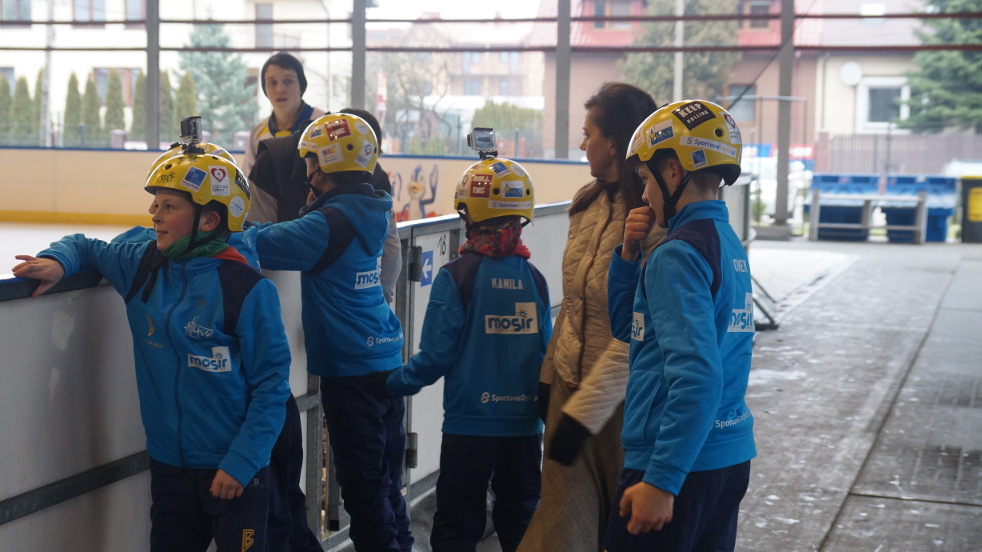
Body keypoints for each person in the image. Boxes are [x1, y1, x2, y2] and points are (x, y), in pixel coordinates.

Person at [13, 151, 291, 552]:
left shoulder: (247, 289)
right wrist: (59, 261)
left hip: (235, 467)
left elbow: (272, 386)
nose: (154, 214)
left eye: (169, 206)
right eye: (155, 204)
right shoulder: (144, 265)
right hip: (171, 466)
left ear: (209, 221)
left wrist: (242, 462)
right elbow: (85, 246)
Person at [247, 112, 413, 552]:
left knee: (364, 489)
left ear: (320, 165)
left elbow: (260, 242)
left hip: (351, 368)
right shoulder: (371, 208)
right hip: (385, 356)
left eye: (308, 159)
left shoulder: (327, 223)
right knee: (386, 481)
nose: (305, 167)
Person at [376, 154, 552, 552]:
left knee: (457, 526)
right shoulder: (535, 279)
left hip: (470, 426)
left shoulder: (456, 276)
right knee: (523, 522)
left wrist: (389, 383)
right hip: (525, 428)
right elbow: (547, 354)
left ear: (469, 214)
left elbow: (435, 357)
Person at [603, 100, 756, 551]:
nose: (645, 196)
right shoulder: (727, 243)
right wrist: (628, 256)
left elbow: (697, 377)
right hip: (726, 455)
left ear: (673, 171)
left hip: (673, 460)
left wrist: (662, 480)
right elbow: (631, 331)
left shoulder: (677, 255)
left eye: (646, 180)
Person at [517, 82, 662, 552]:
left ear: (615, 143)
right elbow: (574, 304)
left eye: (588, 134)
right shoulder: (586, 202)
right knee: (560, 534)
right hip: (569, 390)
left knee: (622, 534)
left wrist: (584, 415)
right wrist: (549, 379)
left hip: (622, 408)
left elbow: (641, 329)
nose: (582, 145)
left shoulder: (653, 218)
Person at [248, 107, 402, 303]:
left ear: (318, 170)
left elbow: (260, 242)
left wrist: (225, 229)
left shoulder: (325, 225)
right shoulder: (378, 208)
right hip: (378, 319)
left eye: (307, 163)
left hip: (341, 324)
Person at [244, 51, 326, 222]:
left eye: (288, 81)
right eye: (272, 82)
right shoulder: (257, 132)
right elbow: (248, 183)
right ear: (265, 89)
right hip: (269, 222)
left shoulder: (323, 124)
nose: (280, 89)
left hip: (317, 219)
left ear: (301, 86)